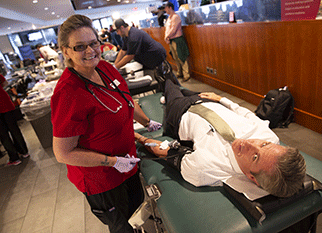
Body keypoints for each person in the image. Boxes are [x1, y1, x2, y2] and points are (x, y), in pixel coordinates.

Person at [51, 14, 162, 232]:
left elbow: (126, 100)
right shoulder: (68, 93)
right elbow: (62, 153)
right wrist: (112, 162)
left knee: (138, 214)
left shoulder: (104, 68)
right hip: (103, 179)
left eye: (93, 43)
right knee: (123, 226)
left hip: (128, 162)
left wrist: (147, 123)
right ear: (66, 51)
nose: (90, 51)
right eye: (80, 47)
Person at [135, 79, 306, 198]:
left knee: (170, 85)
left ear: (252, 178)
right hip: (211, 102)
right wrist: (222, 99)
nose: (249, 143)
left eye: (255, 157)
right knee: (186, 90)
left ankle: (166, 83)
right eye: (263, 144)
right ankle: (176, 88)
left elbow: (166, 150)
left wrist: (139, 138)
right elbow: (247, 114)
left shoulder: (205, 169)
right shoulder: (271, 137)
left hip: (180, 113)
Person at [0, 74, 29, 166]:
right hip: (5, 102)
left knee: (3, 134)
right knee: (14, 129)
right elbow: (5, 83)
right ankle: (23, 151)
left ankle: (14, 158)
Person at [164, 2, 191, 81]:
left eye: (166, 8)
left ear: (170, 8)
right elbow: (167, 29)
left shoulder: (176, 17)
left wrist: (167, 36)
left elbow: (173, 29)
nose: (165, 10)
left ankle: (186, 74)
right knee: (175, 57)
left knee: (181, 56)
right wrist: (167, 37)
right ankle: (180, 72)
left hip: (177, 40)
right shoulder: (169, 18)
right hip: (171, 40)